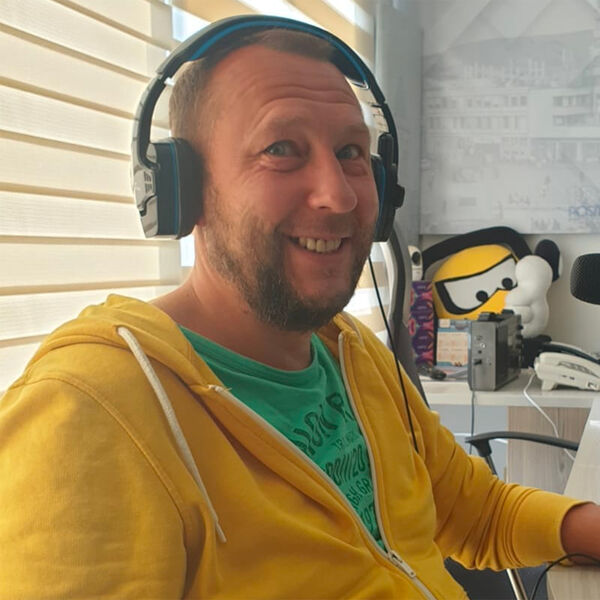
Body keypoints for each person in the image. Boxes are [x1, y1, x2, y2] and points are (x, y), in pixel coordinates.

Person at [1, 18, 599, 600]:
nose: (338, 194)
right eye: (281, 149)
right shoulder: (89, 413)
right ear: (184, 189)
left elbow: (475, 511)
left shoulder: (352, 353)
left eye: (351, 152)